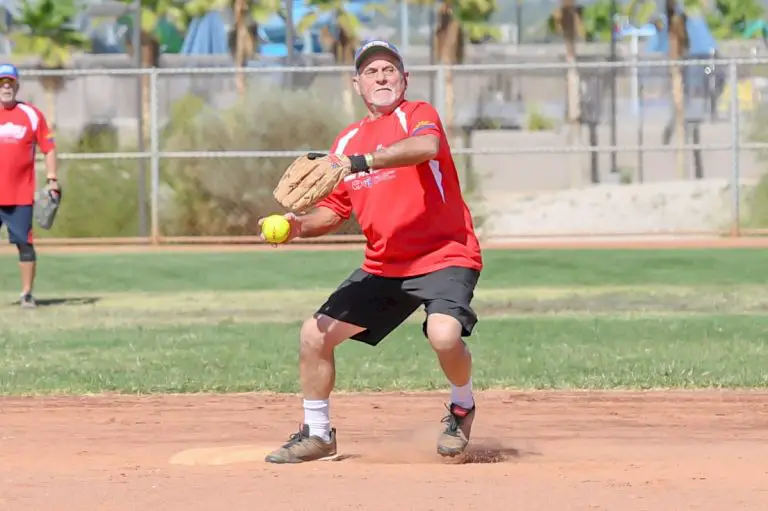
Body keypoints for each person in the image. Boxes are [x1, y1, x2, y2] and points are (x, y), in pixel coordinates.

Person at [260, 40, 483, 464]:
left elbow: (425, 149)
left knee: (444, 335)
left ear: (404, 79)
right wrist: (296, 227)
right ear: (357, 84)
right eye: (371, 71)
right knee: (314, 335)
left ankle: (461, 407)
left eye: (389, 69)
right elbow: (334, 210)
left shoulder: (417, 115)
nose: (381, 77)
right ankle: (318, 434)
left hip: (444, 255)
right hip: (383, 266)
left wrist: (359, 162)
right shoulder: (346, 140)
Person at [0, 64, 59, 308]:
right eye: (2, 83)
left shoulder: (31, 114)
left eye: (10, 83)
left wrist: (52, 178)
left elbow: (49, 147)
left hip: (20, 194)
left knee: (24, 244)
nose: (6, 87)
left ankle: (26, 293)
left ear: (17, 86)